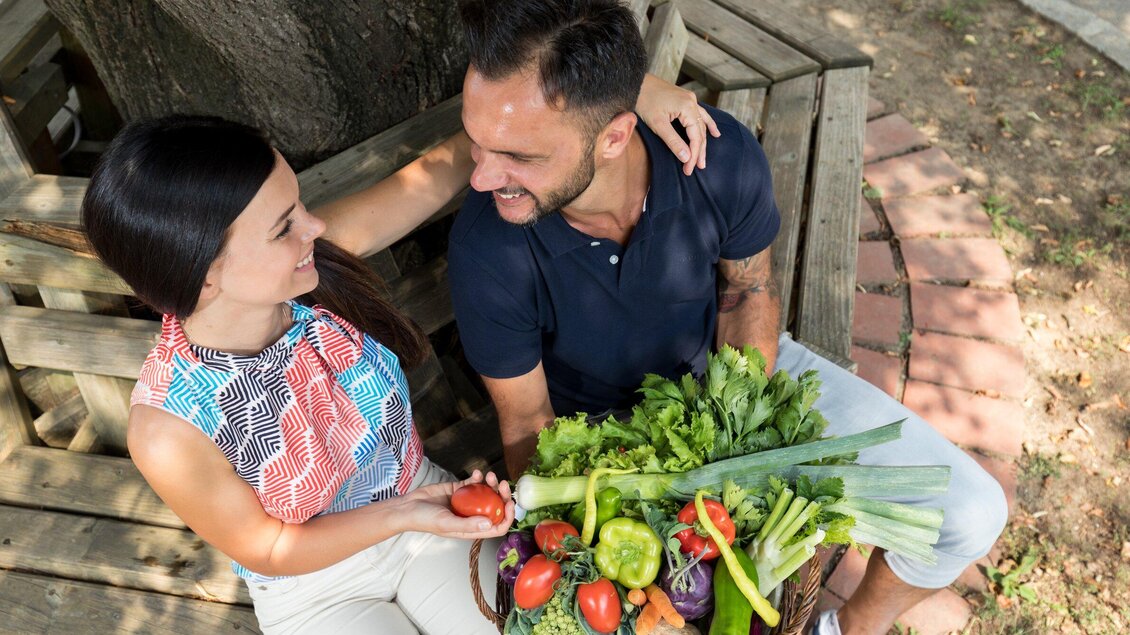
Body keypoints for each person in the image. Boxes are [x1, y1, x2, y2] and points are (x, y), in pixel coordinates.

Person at [445, 1, 1009, 634]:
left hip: (729, 383)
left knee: (970, 513)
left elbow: (748, 291)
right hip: (602, 444)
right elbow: (528, 422)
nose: (484, 177)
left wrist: (734, 443)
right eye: (477, 144)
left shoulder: (716, 157)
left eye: (518, 156)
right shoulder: (488, 250)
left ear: (613, 136)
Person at [80, 78, 712, 634]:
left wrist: (622, 94)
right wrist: (403, 514)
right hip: (316, 590)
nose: (315, 227)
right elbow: (272, 546)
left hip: (426, 514)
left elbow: (450, 164)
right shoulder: (167, 429)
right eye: (284, 225)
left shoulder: (309, 269)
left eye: (299, 204)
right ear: (205, 274)